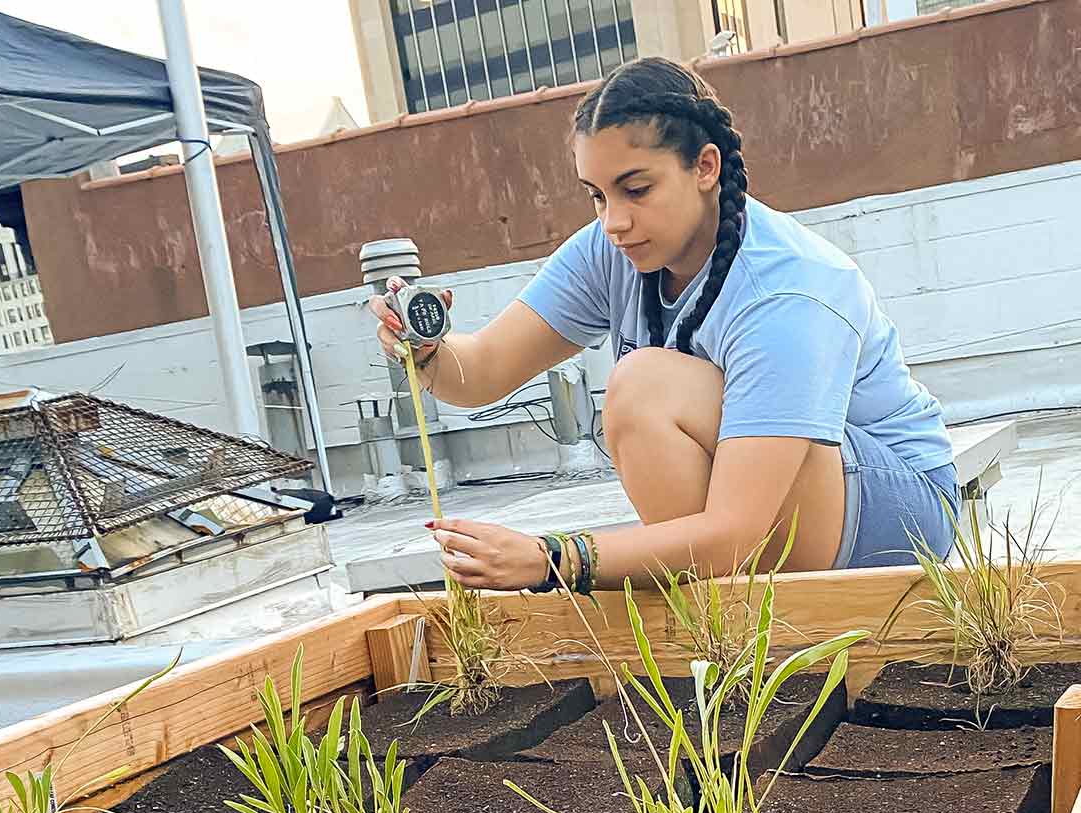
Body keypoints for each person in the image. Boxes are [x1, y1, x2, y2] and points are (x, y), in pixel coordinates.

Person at [368, 56, 959, 596]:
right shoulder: (613, 250)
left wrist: (554, 559)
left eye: (636, 189)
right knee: (642, 390)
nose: (614, 221)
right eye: (596, 196)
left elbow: (733, 531)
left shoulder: (788, 289)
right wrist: (425, 349)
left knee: (643, 385)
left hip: (895, 515)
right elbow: (480, 375)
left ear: (705, 167)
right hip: (779, 508)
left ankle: (748, 632)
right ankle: (727, 631)